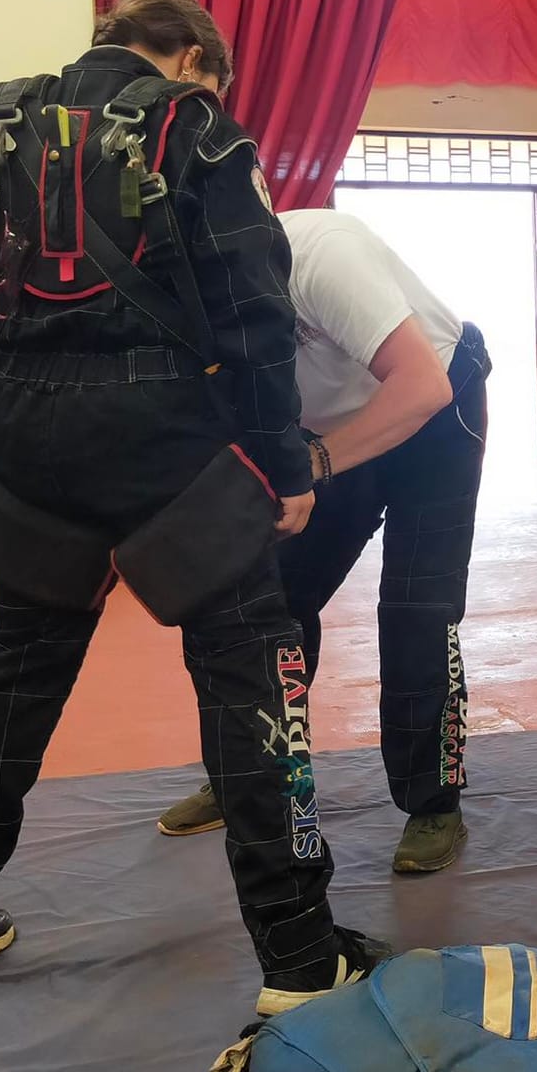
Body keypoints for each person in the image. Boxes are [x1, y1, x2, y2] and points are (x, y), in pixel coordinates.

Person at [0, 0, 385, 1015]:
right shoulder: (199, 132)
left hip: (25, 440)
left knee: (13, 673)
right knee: (249, 680)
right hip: (172, 448)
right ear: (192, 58)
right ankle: (299, 952)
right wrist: (283, 468)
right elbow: (257, 315)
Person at [156, 206, 490, 875]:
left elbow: (421, 384)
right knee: (266, 598)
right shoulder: (186, 302)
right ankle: (254, 774)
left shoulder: (322, 257)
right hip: (324, 430)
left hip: (434, 409)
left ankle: (433, 802)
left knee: (418, 610)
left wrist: (313, 466)